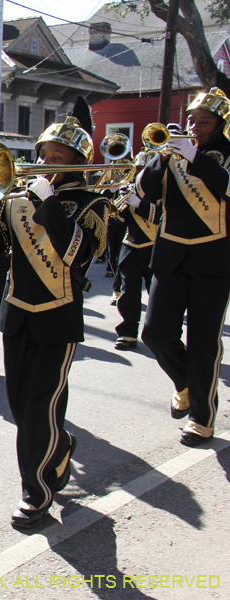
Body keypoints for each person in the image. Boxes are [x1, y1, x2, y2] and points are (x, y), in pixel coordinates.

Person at [0, 97, 109, 528]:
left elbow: (77, 255)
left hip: (58, 316)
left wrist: (47, 203)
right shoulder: (16, 198)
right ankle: (59, 445)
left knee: (41, 405)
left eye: (58, 157)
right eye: (43, 154)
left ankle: (37, 491)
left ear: (78, 162)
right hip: (16, 314)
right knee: (21, 408)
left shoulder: (90, 204)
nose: (46, 162)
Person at [137, 81, 230, 446]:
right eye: (192, 120)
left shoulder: (221, 154)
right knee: (155, 333)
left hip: (214, 257)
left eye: (204, 122)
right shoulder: (173, 150)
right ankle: (186, 384)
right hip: (171, 254)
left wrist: (193, 156)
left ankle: (202, 419)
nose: (195, 128)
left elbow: (223, 183)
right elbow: (145, 191)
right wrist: (159, 159)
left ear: (219, 124)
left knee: (204, 341)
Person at [111, 185, 159, 351]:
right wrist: (123, 201)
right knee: (128, 292)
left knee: (159, 294)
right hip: (131, 244)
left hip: (156, 244)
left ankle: (159, 333)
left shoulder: (163, 188)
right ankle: (128, 332)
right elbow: (117, 221)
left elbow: (165, 216)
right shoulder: (132, 188)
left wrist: (140, 204)